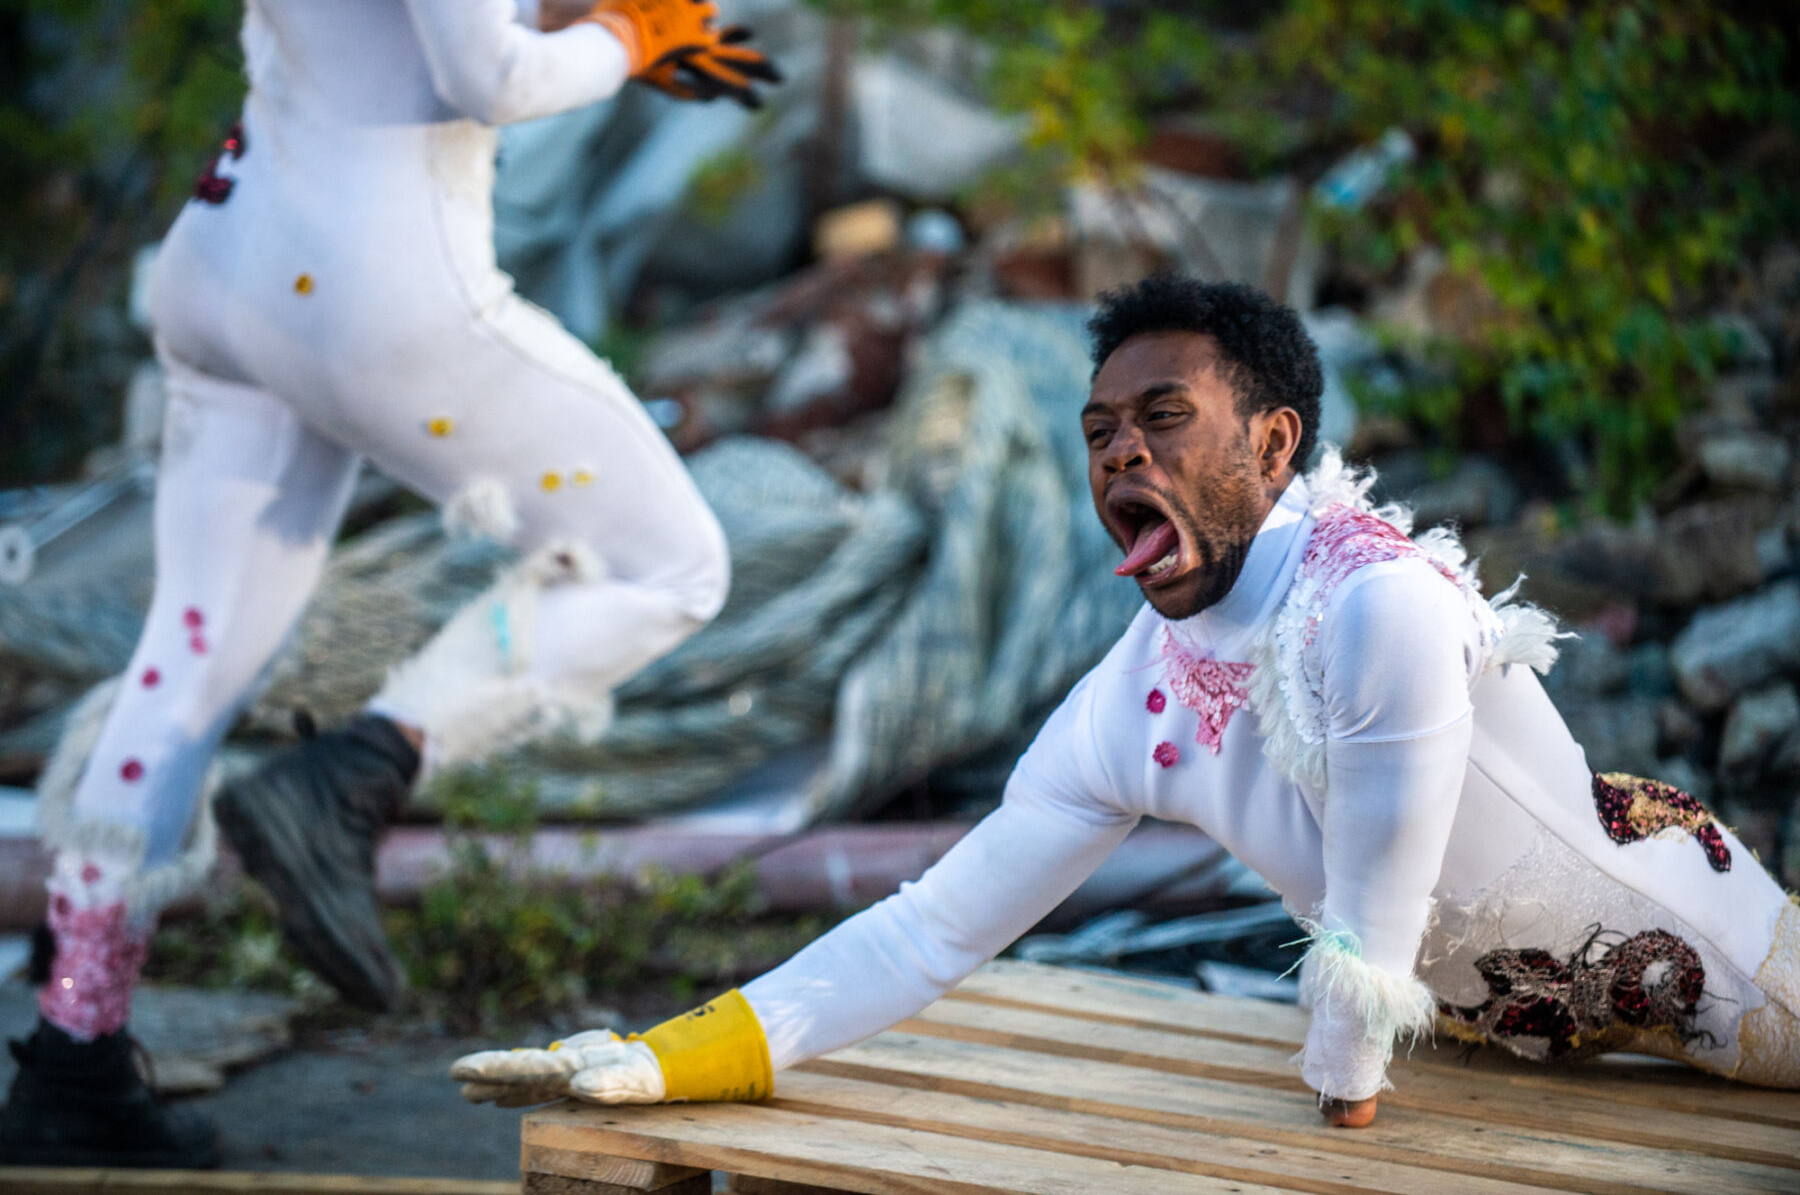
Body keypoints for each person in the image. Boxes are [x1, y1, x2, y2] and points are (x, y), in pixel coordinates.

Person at [451, 276, 1800, 1127]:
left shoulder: (1378, 601)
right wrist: (676, 1054)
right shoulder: (1133, 698)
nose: (1122, 453)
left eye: (1165, 419)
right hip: (1509, 1048)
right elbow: (932, 928)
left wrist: (1340, 1103)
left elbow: (1371, 925)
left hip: (1714, 954)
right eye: (1101, 432)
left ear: (1274, 444)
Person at [0, 0, 776, 1169]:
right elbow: (490, 74)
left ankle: (74, 1049)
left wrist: (600, 22)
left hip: (235, 256)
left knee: (186, 666)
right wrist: (630, 37)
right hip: (376, 294)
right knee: (675, 565)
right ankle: (356, 774)